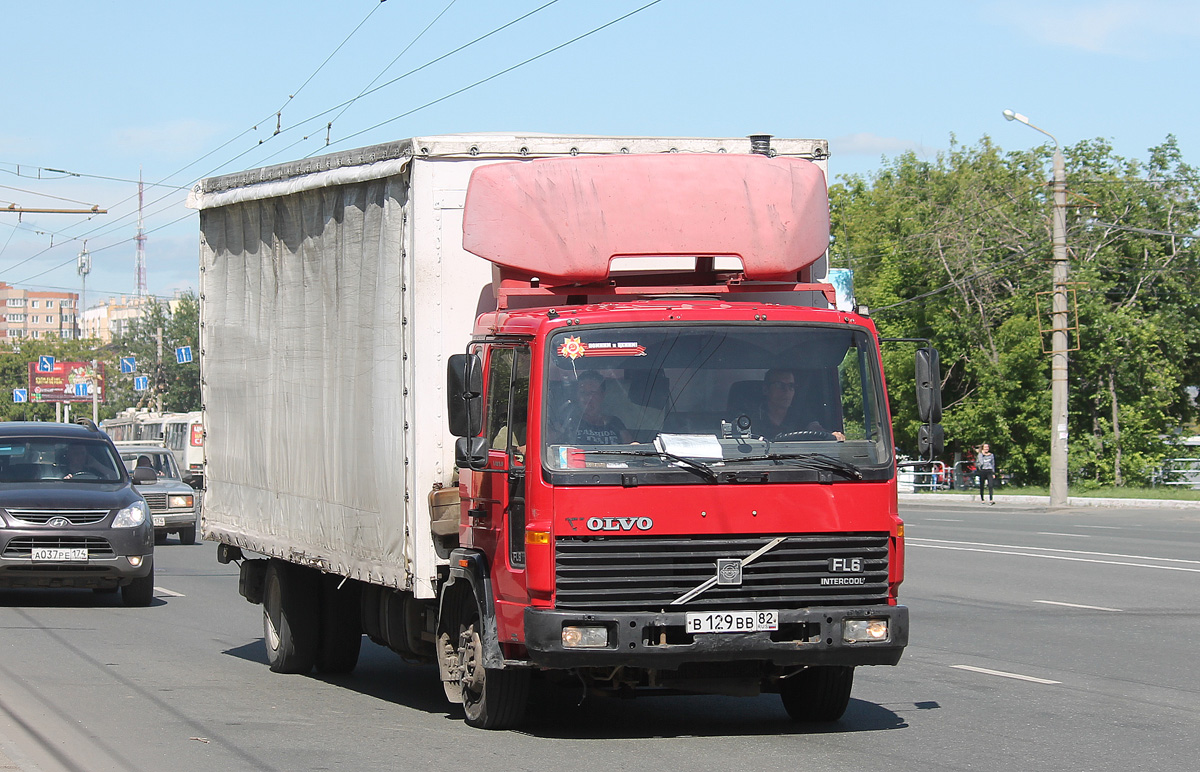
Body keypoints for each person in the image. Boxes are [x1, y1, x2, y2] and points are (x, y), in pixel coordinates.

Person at [756, 369, 845, 441]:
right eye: (780, 385)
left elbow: (816, 428)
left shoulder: (801, 414)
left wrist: (832, 436)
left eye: (791, 386)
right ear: (765, 390)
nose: (787, 391)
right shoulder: (752, 417)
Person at [571, 371, 632, 445]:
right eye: (582, 392)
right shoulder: (570, 422)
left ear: (602, 395)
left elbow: (631, 448)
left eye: (593, 392)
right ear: (576, 396)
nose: (588, 397)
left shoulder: (615, 423)